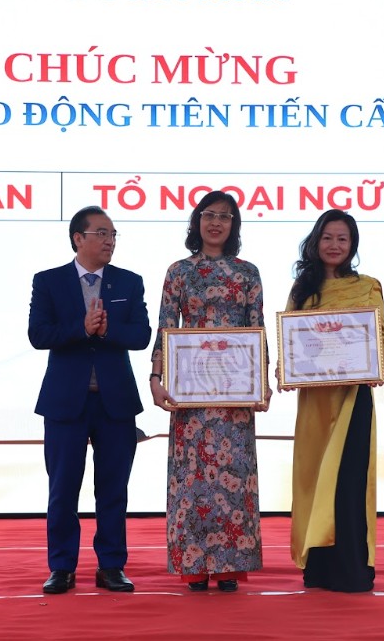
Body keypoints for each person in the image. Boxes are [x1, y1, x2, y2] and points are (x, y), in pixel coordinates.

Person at [149, 191, 272, 593]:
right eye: (209, 215)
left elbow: (257, 329)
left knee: (234, 475)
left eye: (225, 216)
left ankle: (230, 567)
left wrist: (262, 382)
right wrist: (156, 377)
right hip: (191, 389)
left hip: (236, 391)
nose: (216, 222)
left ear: (234, 225)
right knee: (192, 480)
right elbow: (166, 327)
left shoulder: (247, 272)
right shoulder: (179, 272)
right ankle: (194, 567)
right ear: (197, 221)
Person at [28, 206, 152, 594]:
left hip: (115, 403)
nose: (110, 240)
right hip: (65, 401)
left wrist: (107, 330)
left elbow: (141, 336)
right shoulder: (49, 281)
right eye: (102, 233)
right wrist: (80, 328)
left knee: (113, 490)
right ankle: (62, 567)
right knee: (63, 490)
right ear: (78, 238)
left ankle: (111, 566)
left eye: (113, 234)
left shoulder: (129, 282)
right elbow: (38, 335)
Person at [282, 209, 384, 592]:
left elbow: (380, 335)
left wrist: (378, 361)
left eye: (342, 239)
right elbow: (292, 339)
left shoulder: (368, 287)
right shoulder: (303, 290)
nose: (334, 245)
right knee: (315, 479)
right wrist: (286, 369)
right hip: (315, 400)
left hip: (352, 397)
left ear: (352, 245)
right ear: (316, 241)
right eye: (328, 237)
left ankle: (352, 569)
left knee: (348, 481)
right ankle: (320, 568)